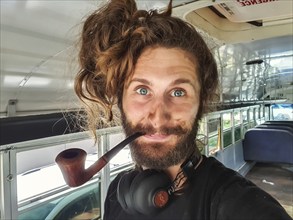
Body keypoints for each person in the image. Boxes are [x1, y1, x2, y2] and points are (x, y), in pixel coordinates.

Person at [74, 0, 292, 219]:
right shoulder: (116, 192)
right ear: (120, 100)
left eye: (178, 92)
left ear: (201, 103)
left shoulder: (241, 206)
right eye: (142, 90)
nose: (158, 116)